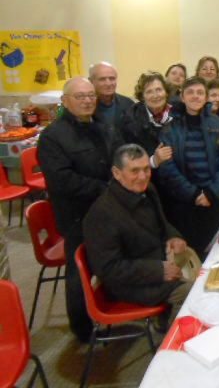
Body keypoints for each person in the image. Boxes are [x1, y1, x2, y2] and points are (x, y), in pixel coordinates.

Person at [38, 77, 121, 342]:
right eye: (80, 96)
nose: (87, 101)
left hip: (107, 210)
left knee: (110, 261)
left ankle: (111, 309)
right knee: (80, 273)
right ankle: (82, 329)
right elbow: (62, 180)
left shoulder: (100, 126)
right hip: (77, 216)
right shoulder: (52, 137)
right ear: (65, 101)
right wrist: (105, 188)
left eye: (90, 95)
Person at [83, 144, 193, 328]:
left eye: (146, 169)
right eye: (134, 171)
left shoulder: (147, 190)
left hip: (154, 267)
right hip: (128, 285)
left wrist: (174, 236)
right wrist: (158, 270)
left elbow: (162, 224)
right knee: (194, 293)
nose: (143, 177)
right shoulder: (101, 214)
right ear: (117, 173)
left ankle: (167, 323)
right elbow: (108, 269)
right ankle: (176, 341)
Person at [157, 76, 219, 259]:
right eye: (190, 92)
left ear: (206, 97)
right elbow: (167, 167)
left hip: (215, 200)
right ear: (182, 97)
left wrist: (211, 192)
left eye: (200, 92)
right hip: (185, 205)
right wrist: (193, 194)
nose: (195, 96)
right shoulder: (169, 129)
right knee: (191, 257)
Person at [121, 72, 174, 174]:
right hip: (148, 177)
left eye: (159, 90)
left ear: (166, 92)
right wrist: (154, 161)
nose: (155, 96)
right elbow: (131, 162)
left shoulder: (179, 114)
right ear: (142, 97)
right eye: (149, 92)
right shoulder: (131, 122)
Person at [89, 61, 134, 132]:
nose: (108, 83)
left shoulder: (128, 104)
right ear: (91, 81)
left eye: (112, 78)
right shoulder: (85, 105)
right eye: (102, 79)